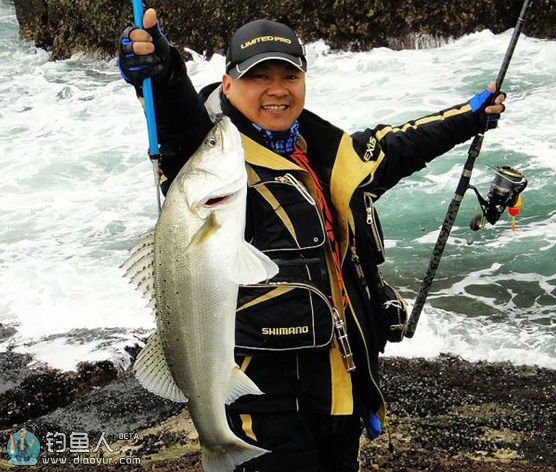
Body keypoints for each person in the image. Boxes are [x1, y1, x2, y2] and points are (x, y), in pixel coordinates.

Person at [118, 9, 505, 472]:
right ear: (227, 85)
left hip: (342, 385)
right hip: (265, 397)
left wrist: (471, 116)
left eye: (289, 74)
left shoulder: (325, 150)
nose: (276, 89)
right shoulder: (206, 158)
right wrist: (162, 71)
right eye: (257, 76)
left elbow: (398, 147)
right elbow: (179, 122)